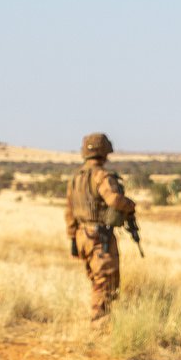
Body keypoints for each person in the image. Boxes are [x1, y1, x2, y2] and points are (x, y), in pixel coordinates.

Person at [62, 132, 137, 322]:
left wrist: (72, 239)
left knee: (96, 280)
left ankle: (101, 323)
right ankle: (99, 327)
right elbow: (114, 200)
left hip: (82, 236)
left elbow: (69, 212)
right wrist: (130, 205)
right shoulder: (101, 176)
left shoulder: (76, 179)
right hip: (99, 238)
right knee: (105, 283)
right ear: (104, 152)